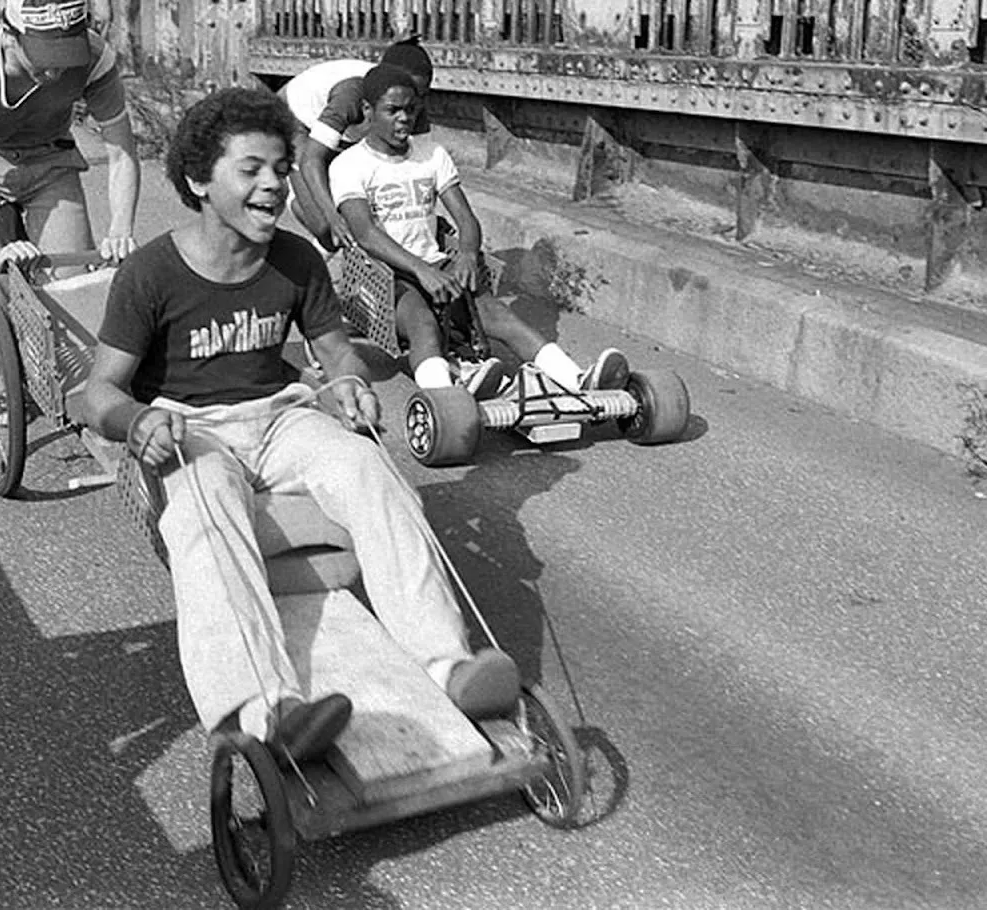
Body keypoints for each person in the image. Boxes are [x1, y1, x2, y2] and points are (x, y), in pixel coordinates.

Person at [81, 86, 520, 762]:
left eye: (282, 170)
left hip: (280, 416)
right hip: (190, 426)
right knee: (206, 513)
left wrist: (346, 381)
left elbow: (333, 346)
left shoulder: (295, 259)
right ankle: (265, 708)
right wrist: (135, 421)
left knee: (369, 470)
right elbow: (99, 390)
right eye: (250, 169)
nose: (274, 185)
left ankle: (448, 664)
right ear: (199, 181)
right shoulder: (151, 275)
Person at [332, 64, 630, 399]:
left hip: (435, 265)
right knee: (423, 326)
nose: (404, 119)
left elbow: (466, 219)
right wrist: (422, 271)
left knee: (498, 315)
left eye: (410, 109)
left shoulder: (432, 154)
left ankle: (579, 381)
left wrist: (468, 256)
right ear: (369, 111)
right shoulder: (349, 165)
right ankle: (448, 403)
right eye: (393, 111)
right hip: (384, 276)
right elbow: (366, 234)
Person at [0, 0, 140, 300]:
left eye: (66, 56)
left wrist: (120, 230)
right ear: (11, 36)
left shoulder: (96, 59)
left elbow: (121, 153)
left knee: (71, 290)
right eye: (43, 58)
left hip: (51, 162)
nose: (55, 72)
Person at [279, 37, 435, 253]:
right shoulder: (351, 94)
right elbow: (311, 160)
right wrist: (333, 217)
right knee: (325, 226)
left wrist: (428, 214)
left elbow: (416, 162)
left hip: (341, 130)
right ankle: (296, 198)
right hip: (295, 120)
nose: (415, 103)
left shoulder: (412, 100)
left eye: (422, 95)